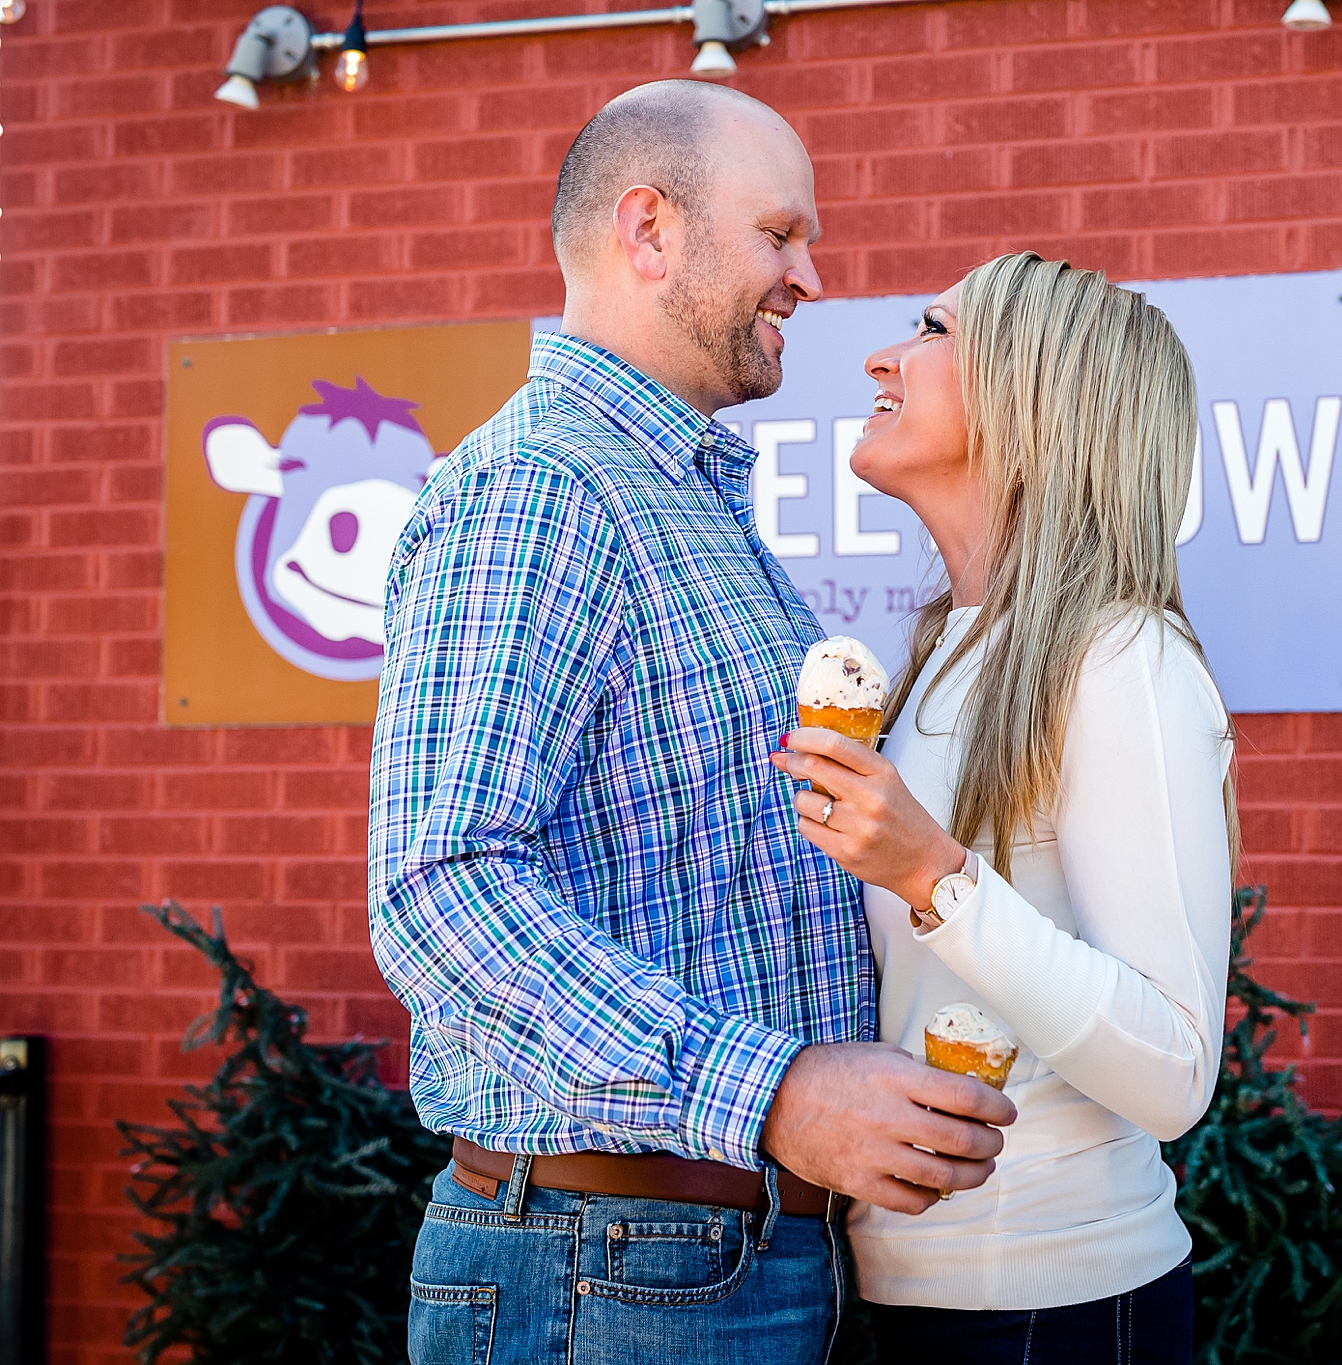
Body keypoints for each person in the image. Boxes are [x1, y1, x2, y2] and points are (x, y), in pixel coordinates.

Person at [368, 81, 1014, 1365]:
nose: (809, 277)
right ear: (647, 230)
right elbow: (438, 890)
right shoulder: (538, 491)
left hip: (710, 1261)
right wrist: (770, 1093)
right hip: (604, 1269)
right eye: (780, 234)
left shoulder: (690, 502)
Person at [771, 253, 1237, 1362]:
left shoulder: (1120, 657)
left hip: (1052, 1308)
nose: (881, 357)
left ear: (1034, 400)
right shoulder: (939, 655)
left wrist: (932, 874)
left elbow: (1173, 1071)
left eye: (932, 332)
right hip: (897, 1291)